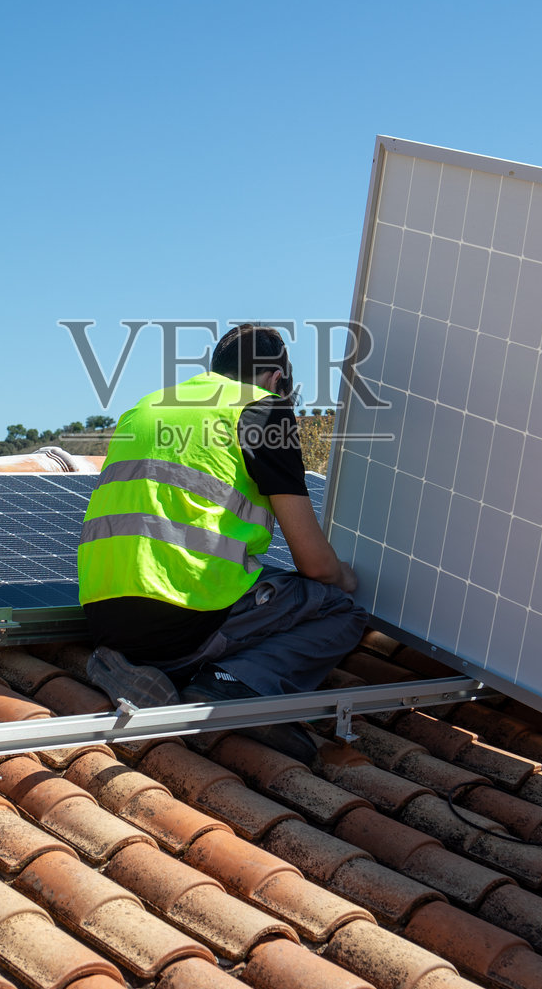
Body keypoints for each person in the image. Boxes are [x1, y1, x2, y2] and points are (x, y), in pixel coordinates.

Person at [77, 323, 367, 758]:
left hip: (104, 618)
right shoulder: (264, 411)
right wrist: (343, 577)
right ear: (277, 380)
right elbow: (315, 564)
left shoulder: (144, 407)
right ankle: (230, 685)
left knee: (246, 580)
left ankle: (140, 668)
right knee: (339, 609)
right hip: (184, 620)